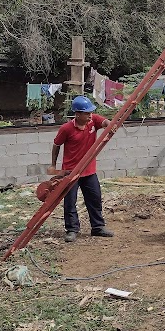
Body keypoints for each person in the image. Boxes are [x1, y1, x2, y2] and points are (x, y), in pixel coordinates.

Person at [48, 95, 115, 243]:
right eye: (86, 113)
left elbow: (105, 122)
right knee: (70, 201)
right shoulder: (66, 129)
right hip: (71, 171)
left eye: (91, 112)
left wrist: (110, 125)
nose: (90, 115)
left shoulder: (93, 121)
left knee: (94, 198)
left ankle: (98, 227)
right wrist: (54, 165)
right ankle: (72, 230)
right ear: (77, 114)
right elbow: (56, 145)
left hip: (89, 170)